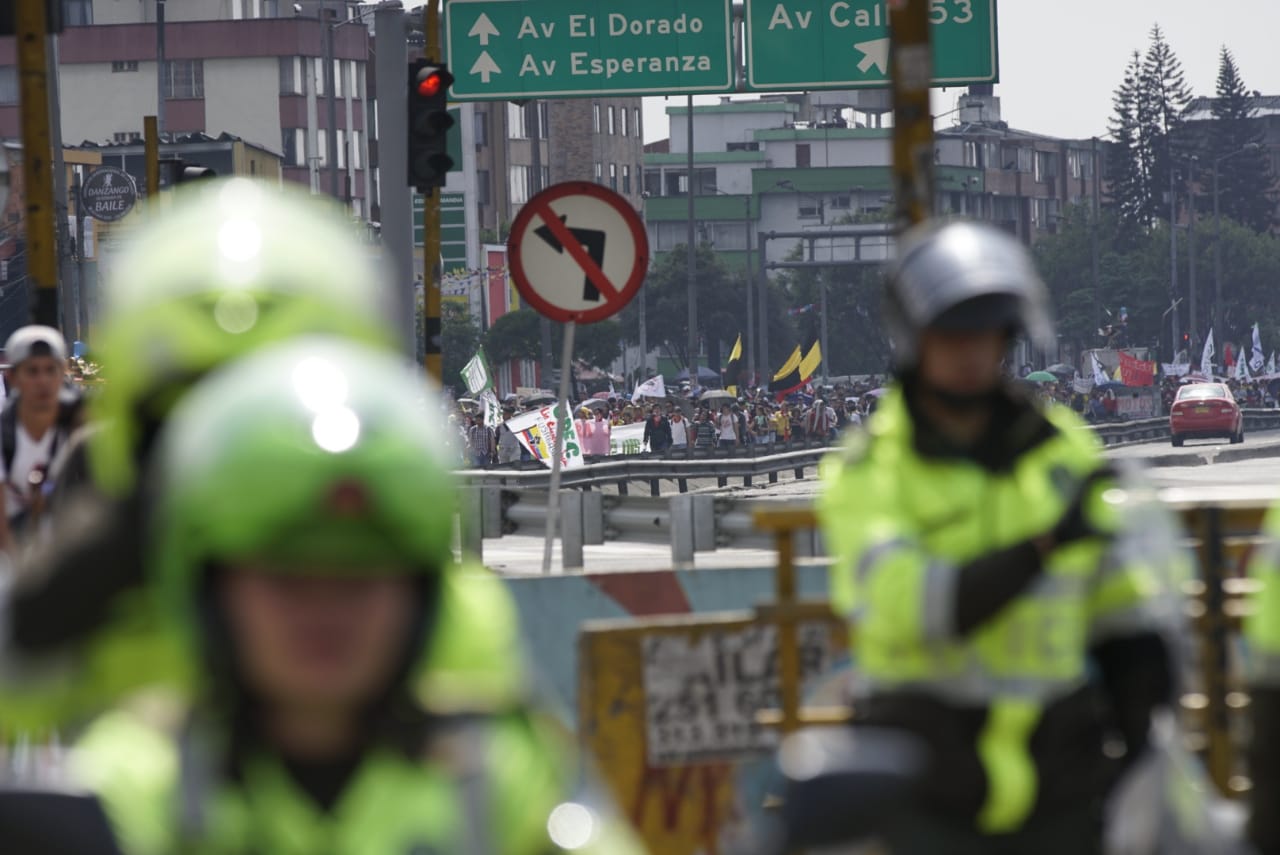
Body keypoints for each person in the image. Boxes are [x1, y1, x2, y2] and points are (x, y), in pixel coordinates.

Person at [52, 338, 641, 854]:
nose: (325, 612)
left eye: (358, 578)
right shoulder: (134, 781)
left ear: (420, 595)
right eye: (289, 578)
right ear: (215, 590)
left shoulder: (495, 772)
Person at [0, 178, 481, 733]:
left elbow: (506, 764)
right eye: (189, 413)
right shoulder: (105, 560)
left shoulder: (430, 598)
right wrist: (64, 595)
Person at [816, 221, 1177, 855]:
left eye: (985, 333)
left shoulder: (1059, 444)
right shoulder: (873, 466)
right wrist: (1041, 548)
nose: (970, 352)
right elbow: (920, 609)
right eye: (951, 333)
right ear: (915, 339)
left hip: (1062, 770)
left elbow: (1118, 603)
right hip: (928, 773)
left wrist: (1144, 724)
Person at [0, 325, 81, 550]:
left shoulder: (82, 428)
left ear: (62, 372)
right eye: (32, 371)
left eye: (50, 370)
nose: (42, 381)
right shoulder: (4, 435)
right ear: (12, 378)